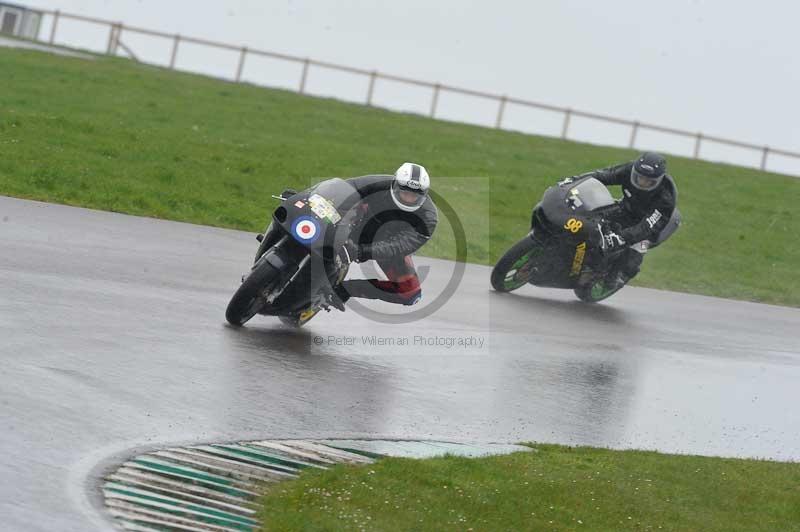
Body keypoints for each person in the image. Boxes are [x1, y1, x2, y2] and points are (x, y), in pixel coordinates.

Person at [332, 162, 438, 308]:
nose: (408, 198)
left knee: (410, 293)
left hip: (386, 243)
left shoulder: (428, 218)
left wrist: (362, 251)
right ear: (395, 185)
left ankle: (342, 290)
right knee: (350, 199)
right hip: (356, 223)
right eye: (405, 192)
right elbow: (342, 189)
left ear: (423, 195)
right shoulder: (379, 183)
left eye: (414, 195)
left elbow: (399, 246)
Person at [562, 152, 678, 285]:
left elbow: (646, 227)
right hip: (626, 209)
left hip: (647, 227)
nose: (642, 182)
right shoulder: (629, 170)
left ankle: (615, 278)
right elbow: (604, 174)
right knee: (592, 216)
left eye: (648, 181)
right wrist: (575, 180)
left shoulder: (666, 197)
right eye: (639, 177)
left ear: (658, 180)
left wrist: (622, 237)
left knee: (631, 258)